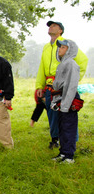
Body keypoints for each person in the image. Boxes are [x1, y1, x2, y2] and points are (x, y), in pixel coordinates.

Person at [35, 21, 88, 149]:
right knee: (52, 114)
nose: (50, 27)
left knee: (67, 114)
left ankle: (71, 141)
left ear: (60, 31)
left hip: (63, 86)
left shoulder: (67, 44)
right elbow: (42, 67)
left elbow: (83, 61)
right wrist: (39, 86)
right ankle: (55, 140)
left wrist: (71, 81)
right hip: (49, 86)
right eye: (49, 26)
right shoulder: (46, 47)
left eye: (54, 26)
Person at [50, 39, 83, 163]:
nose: (60, 49)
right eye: (60, 47)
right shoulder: (62, 64)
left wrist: (66, 104)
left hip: (69, 98)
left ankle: (69, 156)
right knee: (62, 127)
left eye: (63, 47)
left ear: (70, 50)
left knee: (69, 127)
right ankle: (63, 153)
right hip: (61, 98)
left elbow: (71, 85)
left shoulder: (71, 64)